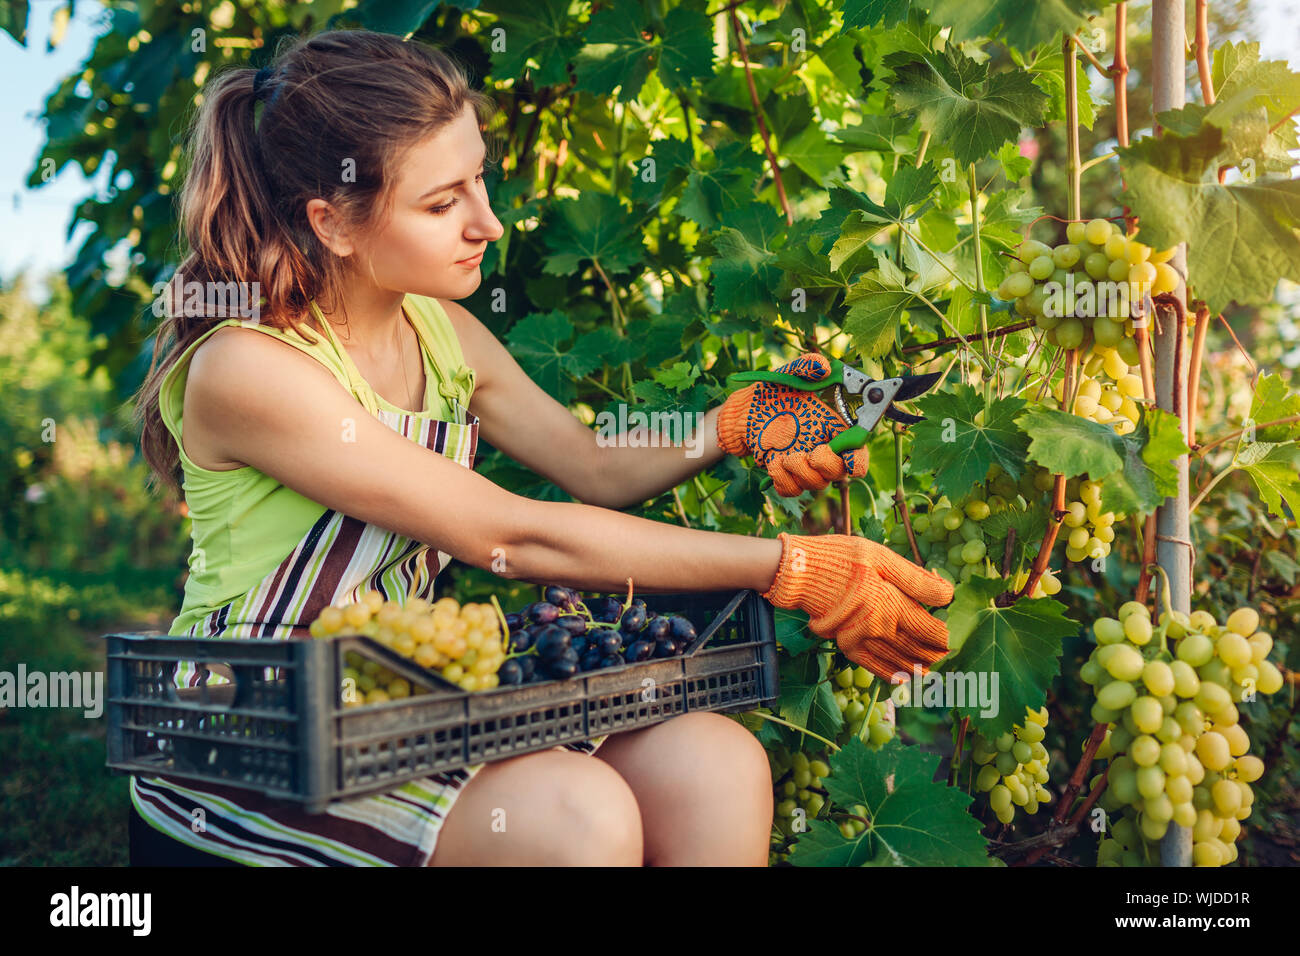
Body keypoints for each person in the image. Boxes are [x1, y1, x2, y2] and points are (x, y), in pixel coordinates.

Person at [129, 28, 952, 867]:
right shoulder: (249, 367)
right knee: (580, 818)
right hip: (253, 728)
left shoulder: (440, 330)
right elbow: (511, 536)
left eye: (479, 178)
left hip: (406, 701)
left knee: (718, 765)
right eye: (442, 202)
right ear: (331, 223)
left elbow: (593, 463)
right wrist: (787, 565)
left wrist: (732, 425)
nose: (487, 222)